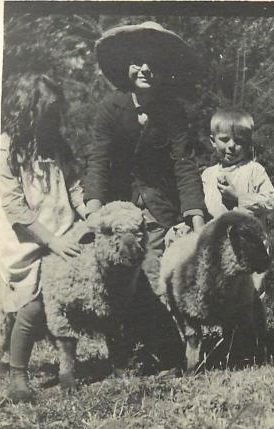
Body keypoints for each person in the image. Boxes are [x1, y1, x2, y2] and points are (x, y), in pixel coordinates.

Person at [84, 21, 205, 294]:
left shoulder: (172, 112)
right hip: (119, 205)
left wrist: (197, 221)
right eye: (138, 62)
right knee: (115, 275)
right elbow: (98, 159)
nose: (146, 69)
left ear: (164, 71)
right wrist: (93, 210)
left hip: (159, 207)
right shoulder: (110, 108)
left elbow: (183, 163)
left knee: (154, 275)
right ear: (126, 67)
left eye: (154, 64)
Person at [0, 74, 87, 402]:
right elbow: (14, 205)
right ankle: (17, 374)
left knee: (67, 299)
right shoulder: (9, 148)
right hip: (29, 239)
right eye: (47, 111)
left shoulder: (57, 146)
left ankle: (68, 365)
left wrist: (87, 211)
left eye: (56, 112)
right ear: (27, 109)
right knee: (33, 306)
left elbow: (75, 186)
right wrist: (50, 240)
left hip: (63, 232)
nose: (53, 118)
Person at [200, 109, 274, 297]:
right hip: (221, 244)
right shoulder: (208, 175)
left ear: (248, 143)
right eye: (224, 140)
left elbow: (271, 201)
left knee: (252, 291)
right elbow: (205, 208)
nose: (231, 146)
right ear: (213, 141)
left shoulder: (253, 170)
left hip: (251, 242)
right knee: (226, 291)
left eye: (239, 141)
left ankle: (254, 323)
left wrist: (240, 196)